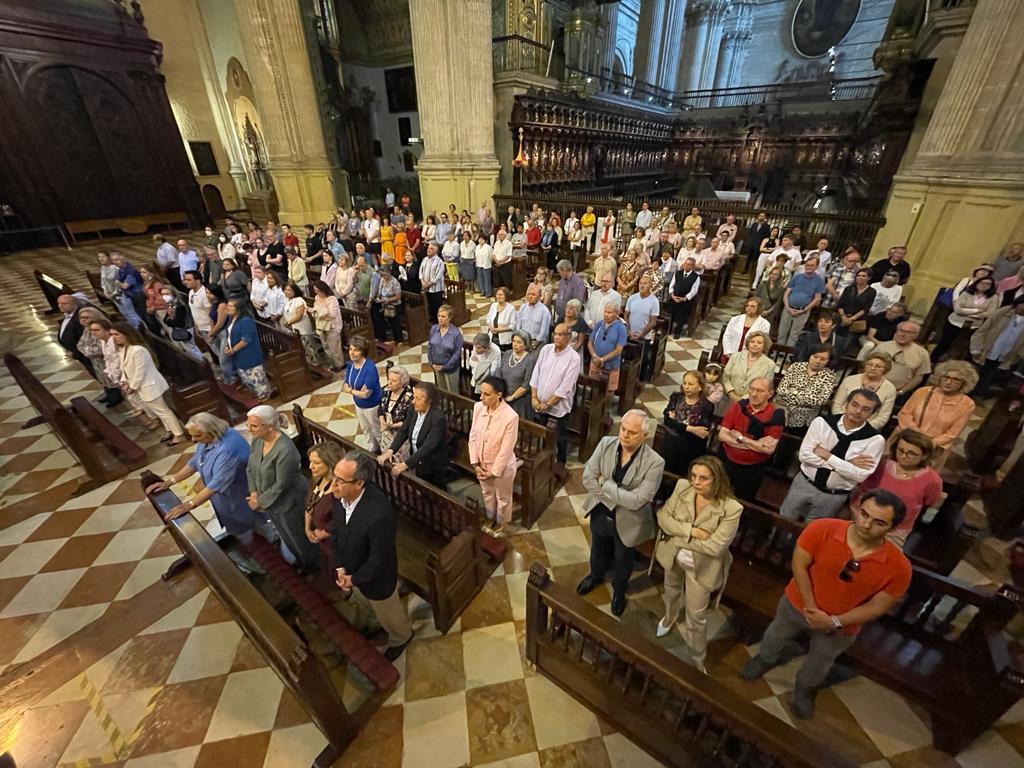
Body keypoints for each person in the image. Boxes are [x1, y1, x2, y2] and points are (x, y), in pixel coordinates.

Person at [740, 489, 912, 718]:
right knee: (776, 635)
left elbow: (877, 607)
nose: (866, 524)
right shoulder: (823, 528)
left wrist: (833, 621)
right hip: (797, 603)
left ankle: (804, 688)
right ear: (857, 508)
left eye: (879, 522)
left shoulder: (899, 567)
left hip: (841, 626)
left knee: (821, 660)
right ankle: (765, 658)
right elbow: (799, 565)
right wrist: (811, 606)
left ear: (892, 528)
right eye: (864, 514)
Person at [654, 455, 742, 670]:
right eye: (693, 475)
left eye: (703, 478)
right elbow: (663, 517)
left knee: (696, 615)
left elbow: (715, 547)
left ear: (717, 480)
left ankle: (697, 657)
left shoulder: (731, 508)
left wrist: (678, 535)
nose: (696, 482)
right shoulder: (682, 487)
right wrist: (691, 531)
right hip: (674, 555)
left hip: (701, 567)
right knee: (671, 590)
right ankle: (669, 617)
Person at [577, 410, 665, 616]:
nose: (625, 435)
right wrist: (617, 497)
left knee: (623, 557)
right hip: (600, 510)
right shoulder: (606, 443)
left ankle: (619, 591)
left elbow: (638, 501)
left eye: (632, 432)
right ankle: (595, 576)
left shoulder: (655, 462)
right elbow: (588, 478)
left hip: (629, 520)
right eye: (623, 429)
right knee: (598, 548)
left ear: (644, 435)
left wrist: (605, 484)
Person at [331, 451, 414, 661]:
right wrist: (340, 566)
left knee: (390, 614)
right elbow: (338, 533)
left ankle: (401, 637)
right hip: (355, 570)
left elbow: (379, 560)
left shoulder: (379, 515)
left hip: (377, 579)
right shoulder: (340, 497)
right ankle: (378, 622)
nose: (333, 485)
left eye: (340, 480)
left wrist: (353, 579)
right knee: (370, 605)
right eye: (334, 477)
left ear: (359, 484)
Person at [145, 413, 257, 568]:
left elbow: (217, 483)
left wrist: (189, 505)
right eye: (192, 435)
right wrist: (169, 481)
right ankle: (244, 545)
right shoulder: (209, 438)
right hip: (223, 498)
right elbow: (196, 461)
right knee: (234, 526)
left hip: (237, 496)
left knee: (246, 527)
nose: (193, 439)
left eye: (197, 436)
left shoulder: (228, 449)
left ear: (212, 430)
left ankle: (254, 557)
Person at [779, 389, 886, 522]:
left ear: (872, 413)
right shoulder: (822, 422)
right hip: (804, 483)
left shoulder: (875, 440)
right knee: (783, 520)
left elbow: (860, 475)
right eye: (855, 405)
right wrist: (846, 464)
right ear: (846, 404)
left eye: (865, 409)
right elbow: (804, 456)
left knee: (815, 530)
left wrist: (829, 456)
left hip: (833, 495)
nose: (858, 411)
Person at [245, 405, 316, 569]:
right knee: (285, 534)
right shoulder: (258, 440)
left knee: (298, 535)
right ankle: (299, 559)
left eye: (254, 426)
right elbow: (250, 467)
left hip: (289, 501)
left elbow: (281, 485)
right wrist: (254, 493)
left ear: (269, 427)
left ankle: (311, 564)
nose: (249, 429)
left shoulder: (285, 449)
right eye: (248, 425)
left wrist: (259, 501)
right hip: (269, 500)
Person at [852, 430, 942, 549]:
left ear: (924, 456)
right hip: (860, 519)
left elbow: (930, 501)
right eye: (901, 450)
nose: (904, 456)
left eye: (911, 453)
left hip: (894, 531)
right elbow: (861, 486)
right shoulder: (880, 464)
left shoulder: (932, 480)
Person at [110, 322, 187, 444]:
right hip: (141, 387)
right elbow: (124, 368)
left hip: (150, 385)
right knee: (157, 411)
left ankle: (179, 434)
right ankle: (170, 430)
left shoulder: (138, 350)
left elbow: (141, 371)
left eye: (116, 334)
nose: (114, 337)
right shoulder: (123, 349)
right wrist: (124, 382)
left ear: (127, 334)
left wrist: (132, 387)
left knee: (164, 411)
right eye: (111, 335)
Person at [893, 361, 977, 463]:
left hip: (934, 448)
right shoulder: (923, 392)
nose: (948, 382)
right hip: (907, 439)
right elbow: (904, 414)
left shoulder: (967, 404)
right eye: (946, 377)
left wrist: (929, 443)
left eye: (955, 380)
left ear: (964, 383)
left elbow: (953, 433)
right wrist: (915, 433)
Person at [717, 377, 783, 501]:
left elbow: (768, 449)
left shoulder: (776, 415)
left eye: (760, 391)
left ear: (770, 394)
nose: (754, 394)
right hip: (727, 460)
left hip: (752, 468)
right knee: (718, 495)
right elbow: (722, 435)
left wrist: (741, 438)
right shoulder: (739, 406)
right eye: (752, 389)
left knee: (742, 501)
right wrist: (756, 445)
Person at [469, 377, 520, 536]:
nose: (481, 397)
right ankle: (491, 517)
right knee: (487, 493)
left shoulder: (510, 417)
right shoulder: (478, 408)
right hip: (482, 463)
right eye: (481, 393)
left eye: (486, 394)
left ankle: (502, 521)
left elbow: (506, 449)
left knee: (502, 497)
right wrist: (475, 464)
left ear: (499, 395)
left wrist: (494, 471)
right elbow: (473, 436)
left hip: (501, 467)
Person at [378, 381, 449, 489]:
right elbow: (404, 430)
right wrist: (391, 450)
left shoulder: (438, 418)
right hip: (418, 458)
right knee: (421, 484)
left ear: (429, 400)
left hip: (433, 462)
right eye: (414, 397)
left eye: (418, 399)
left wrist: (405, 464)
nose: (413, 401)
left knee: (435, 488)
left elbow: (428, 446)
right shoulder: (413, 409)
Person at [531, 323, 581, 474]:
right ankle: (545, 457)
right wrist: (534, 396)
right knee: (543, 432)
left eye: (561, 334)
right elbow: (536, 373)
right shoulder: (546, 349)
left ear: (569, 337)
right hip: (539, 402)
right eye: (555, 334)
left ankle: (560, 461)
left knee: (560, 436)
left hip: (558, 407)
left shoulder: (574, 357)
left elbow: (566, 386)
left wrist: (548, 403)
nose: (557, 337)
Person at [302, 440, 346, 580]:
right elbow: (309, 504)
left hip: (338, 543)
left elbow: (343, 520)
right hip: (322, 540)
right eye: (310, 462)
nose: (310, 466)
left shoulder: (339, 490)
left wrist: (324, 533)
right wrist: (307, 528)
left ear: (330, 462)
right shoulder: (317, 480)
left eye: (316, 463)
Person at [930, 276, 999, 362]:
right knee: (945, 343)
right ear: (977, 283)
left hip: (973, 326)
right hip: (955, 322)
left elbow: (989, 313)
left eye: (988, 284)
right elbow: (957, 309)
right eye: (982, 282)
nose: (984, 285)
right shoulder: (966, 293)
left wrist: (967, 312)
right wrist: (977, 311)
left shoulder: (993, 298)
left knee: (963, 347)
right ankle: (933, 360)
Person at [775, 346, 840, 431]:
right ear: (810, 355)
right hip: (781, 411)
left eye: (823, 359)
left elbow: (819, 400)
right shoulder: (796, 366)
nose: (817, 361)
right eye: (815, 356)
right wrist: (806, 398)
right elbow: (781, 389)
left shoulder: (830, 377)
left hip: (804, 419)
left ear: (829, 361)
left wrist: (794, 391)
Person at [661, 370, 713, 475]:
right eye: (684, 383)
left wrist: (676, 421)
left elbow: (702, 433)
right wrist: (691, 428)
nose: (686, 387)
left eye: (691, 384)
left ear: (700, 387)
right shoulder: (676, 398)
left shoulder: (707, 406)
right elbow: (667, 421)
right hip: (671, 444)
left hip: (690, 448)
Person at [971, 296, 1024, 395]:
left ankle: (978, 396)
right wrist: (976, 348)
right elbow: (983, 330)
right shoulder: (1003, 312)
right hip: (985, 352)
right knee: (975, 375)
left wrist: (1016, 358)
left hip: (1004, 357)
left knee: (988, 378)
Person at [832, 351, 898, 430]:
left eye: (878, 366)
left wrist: (863, 429)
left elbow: (882, 417)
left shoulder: (890, 389)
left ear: (885, 369)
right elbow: (836, 405)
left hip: (866, 428)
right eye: (870, 364)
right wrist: (843, 423)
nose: (873, 368)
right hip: (840, 422)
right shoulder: (849, 380)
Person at [343, 336, 383, 453]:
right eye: (351, 349)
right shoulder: (350, 365)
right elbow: (345, 385)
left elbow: (366, 395)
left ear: (363, 352)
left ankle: (384, 451)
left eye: (356, 350)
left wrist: (351, 391)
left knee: (377, 431)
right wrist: (357, 392)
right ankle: (372, 449)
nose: (352, 353)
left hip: (372, 406)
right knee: (366, 429)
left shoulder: (369, 368)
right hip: (358, 404)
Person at [76, 308, 122, 407]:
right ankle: (108, 394)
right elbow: (80, 344)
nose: (83, 320)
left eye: (87, 317)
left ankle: (116, 396)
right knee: (102, 378)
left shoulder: (103, 327)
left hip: (104, 359)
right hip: (95, 361)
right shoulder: (87, 329)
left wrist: (87, 350)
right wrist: (87, 350)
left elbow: (100, 347)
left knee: (111, 378)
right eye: (81, 317)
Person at [874, 321, 931, 400]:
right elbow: (867, 366)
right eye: (901, 330)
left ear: (915, 336)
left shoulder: (922, 353)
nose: (903, 334)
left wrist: (901, 392)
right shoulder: (882, 347)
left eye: (908, 332)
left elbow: (919, 377)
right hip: (873, 387)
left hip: (898, 394)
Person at [779, 256, 825, 346]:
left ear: (816, 267)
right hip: (788, 309)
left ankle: (787, 353)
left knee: (794, 336)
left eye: (812, 265)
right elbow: (786, 293)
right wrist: (787, 307)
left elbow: (817, 298)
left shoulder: (819, 281)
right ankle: (777, 352)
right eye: (807, 265)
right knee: (782, 333)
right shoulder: (797, 277)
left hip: (803, 312)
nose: (809, 267)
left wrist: (804, 310)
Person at [723, 331, 776, 403]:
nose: (755, 345)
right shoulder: (735, 356)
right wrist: (731, 393)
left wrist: (743, 399)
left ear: (764, 346)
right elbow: (725, 377)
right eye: (752, 342)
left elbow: (764, 386)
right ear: (748, 343)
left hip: (751, 402)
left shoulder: (770, 365)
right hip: (727, 397)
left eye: (759, 343)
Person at [588, 302, 628, 393]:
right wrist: (594, 356)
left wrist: (602, 360)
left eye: (609, 312)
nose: (606, 315)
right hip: (595, 363)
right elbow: (590, 343)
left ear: (616, 313)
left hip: (611, 366)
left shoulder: (621, 328)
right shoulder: (599, 324)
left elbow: (618, 350)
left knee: (609, 391)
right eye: (605, 312)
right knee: (593, 389)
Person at [281, 282, 324, 368]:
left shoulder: (299, 300)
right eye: (285, 289)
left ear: (295, 291)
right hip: (294, 329)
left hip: (303, 328)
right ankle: (307, 364)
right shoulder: (287, 300)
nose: (287, 291)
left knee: (309, 348)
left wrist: (288, 323)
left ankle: (315, 365)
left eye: (289, 290)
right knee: (302, 349)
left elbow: (299, 315)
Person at [57, 294, 97, 379]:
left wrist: (76, 352)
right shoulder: (67, 315)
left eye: (64, 303)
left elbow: (83, 336)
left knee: (98, 373)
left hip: (86, 353)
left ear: (74, 304)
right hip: (80, 354)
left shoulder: (81, 316)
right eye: (59, 303)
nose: (61, 306)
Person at [499, 330, 537, 420]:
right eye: (514, 341)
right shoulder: (507, 353)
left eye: (519, 342)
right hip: (503, 397)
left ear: (526, 344)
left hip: (520, 401)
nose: (515, 344)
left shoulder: (530, 359)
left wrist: (512, 397)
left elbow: (527, 384)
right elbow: (499, 373)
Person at [378, 365, 414, 455]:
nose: (389, 383)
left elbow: (408, 421)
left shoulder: (409, 397)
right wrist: (382, 421)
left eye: (393, 381)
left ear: (402, 383)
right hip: (386, 433)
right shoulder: (386, 390)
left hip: (401, 435)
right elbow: (381, 408)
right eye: (388, 379)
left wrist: (391, 426)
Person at [428, 304, 464, 393]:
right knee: (441, 392)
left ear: (449, 318)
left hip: (450, 369)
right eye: (439, 316)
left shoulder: (456, 333)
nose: (440, 319)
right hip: (436, 367)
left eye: (443, 316)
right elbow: (430, 347)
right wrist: (431, 363)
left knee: (452, 393)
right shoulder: (434, 329)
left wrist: (445, 367)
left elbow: (457, 353)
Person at [311, 280, 345, 372]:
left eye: (318, 291)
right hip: (321, 325)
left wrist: (318, 313)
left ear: (323, 290)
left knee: (334, 347)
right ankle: (332, 363)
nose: (316, 293)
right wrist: (316, 313)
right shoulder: (317, 298)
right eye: (315, 291)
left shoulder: (332, 299)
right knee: (325, 346)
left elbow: (332, 314)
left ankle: (339, 365)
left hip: (333, 326)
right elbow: (315, 309)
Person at [668, 256, 700, 339]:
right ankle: (668, 330)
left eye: (689, 265)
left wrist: (685, 298)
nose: (686, 266)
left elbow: (694, 290)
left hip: (685, 300)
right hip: (674, 297)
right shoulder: (678, 273)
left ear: (692, 266)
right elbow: (671, 285)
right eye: (685, 263)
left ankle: (677, 332)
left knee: (682, 316)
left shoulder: (696, 277)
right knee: (670, 313)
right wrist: (672, 295)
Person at [755, 265, 786, 332]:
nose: (773, 276)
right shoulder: (763, 284)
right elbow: (756, 296)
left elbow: (778, 302)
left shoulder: (780, 288)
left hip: (770, 312)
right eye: (772, 273)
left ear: (779, 276)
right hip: (759, 309)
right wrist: (759, 309)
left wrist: (769, 311)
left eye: (776, 274)